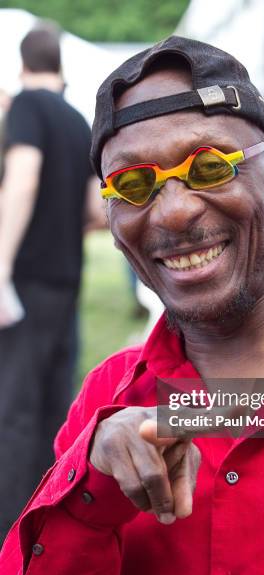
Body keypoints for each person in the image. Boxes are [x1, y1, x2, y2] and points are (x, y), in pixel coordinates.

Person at [1, 36, 264, 575]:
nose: (174, 210)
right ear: (112, 221)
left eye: (210, 167)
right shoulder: (109, 403)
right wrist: (89, 497)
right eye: (135, 185)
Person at [0, 24, 105, 541]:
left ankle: (10, 534)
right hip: (68, 278)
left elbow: (23, 178)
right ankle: (48, 524)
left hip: (25, 283)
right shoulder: (76, 118)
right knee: (51, 405)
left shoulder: (25, 108)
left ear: (22, 64)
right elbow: (95, 208)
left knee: (14, 410)